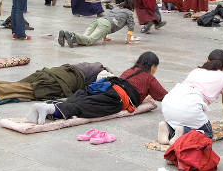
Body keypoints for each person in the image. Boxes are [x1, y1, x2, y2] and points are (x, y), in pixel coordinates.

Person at [26, 52, 167, 123]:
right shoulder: (149, 78)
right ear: (153, 66)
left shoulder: (130, 71)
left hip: (109, 87)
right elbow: (164, 96)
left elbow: (132, 86)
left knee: (83, 98)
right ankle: (49, 109)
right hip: (117, 98)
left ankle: (48, 106)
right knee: (87, 107)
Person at [159, 49, 223, 144]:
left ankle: (168, 128)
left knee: (181, 120)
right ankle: (183, 133)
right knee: (208, 134)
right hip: (190, 107)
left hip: (168, 102)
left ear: (207, 60)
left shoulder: (196, 71)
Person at [0, 62, 108, 102]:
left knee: (20, 83)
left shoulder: (90, 66)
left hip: (52, 71)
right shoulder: (103, 73)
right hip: (60, 81)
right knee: (31, 90)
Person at [59, 4, 135, 47]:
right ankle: (71, 35)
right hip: (105, 25)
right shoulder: (129, 13)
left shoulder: (116, 9)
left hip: (98, 21)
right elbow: (131, 26)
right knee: (89, 41)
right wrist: (128, 40)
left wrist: (104, 37)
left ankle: (66, 36)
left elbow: (110, 19)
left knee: (84, 39)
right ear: (131, 9)